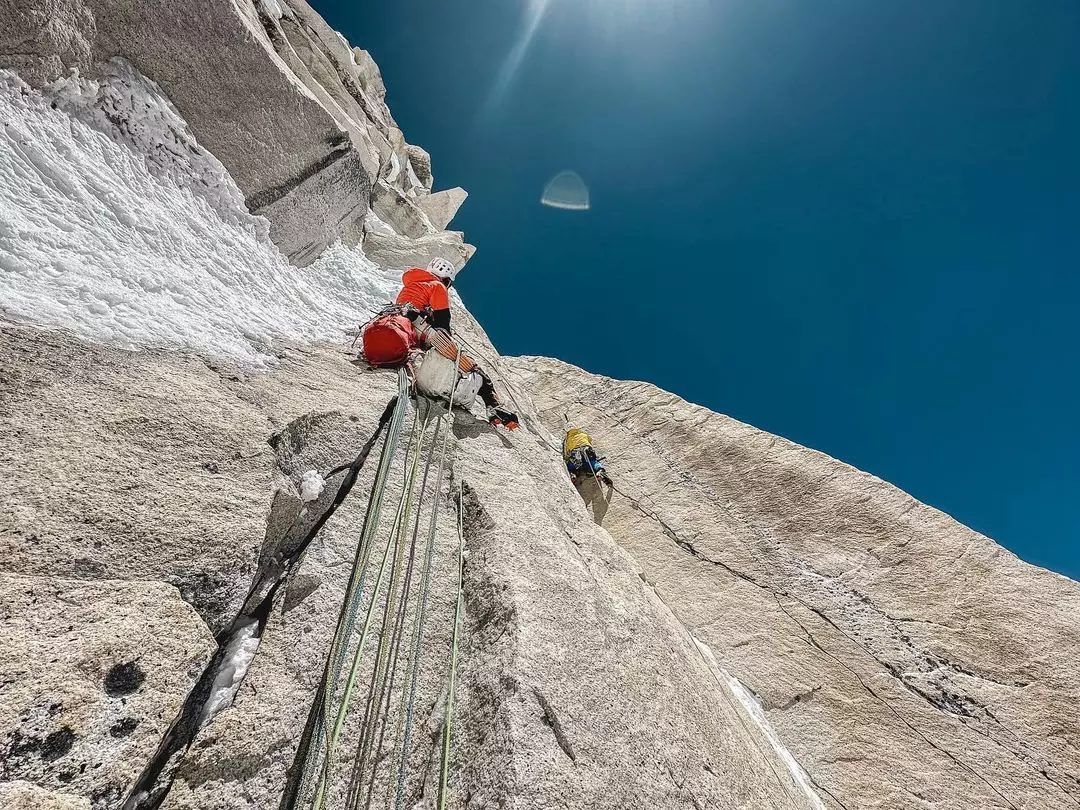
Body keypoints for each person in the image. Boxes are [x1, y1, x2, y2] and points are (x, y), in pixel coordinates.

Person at [394, 258, 519, 429]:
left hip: (404, 330)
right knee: (476, 370)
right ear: (446, 279)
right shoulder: (437, 286)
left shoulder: (411, 286)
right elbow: (443, 324)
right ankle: (494, 407)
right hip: (422, 331)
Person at [563, 422, 612, 487]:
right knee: (593, 462)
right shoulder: (583, 434)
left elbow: (566, 452)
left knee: (571, 464)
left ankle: (573, 474)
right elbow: (590, 440)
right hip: (587, 450)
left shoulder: (567, 439)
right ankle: (599, 471)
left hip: (575, 453)